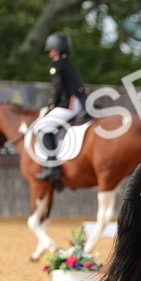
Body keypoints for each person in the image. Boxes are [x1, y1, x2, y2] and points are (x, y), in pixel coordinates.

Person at [38, 33, 87, 183]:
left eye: (51, 49)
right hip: (80, 101)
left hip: (70, 104)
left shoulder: (57, 65)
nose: (49, 52)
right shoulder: (69, 64)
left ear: (55, 50)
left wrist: (52, 103)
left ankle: (53, 167)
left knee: (43, 127)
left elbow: (58, 88)